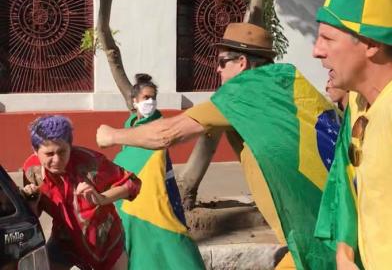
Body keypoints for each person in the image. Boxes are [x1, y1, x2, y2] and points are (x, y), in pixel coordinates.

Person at [97, 22, 339, 269]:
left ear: (242, 63)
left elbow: (166, 135)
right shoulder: (289, 81)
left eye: (223, 62)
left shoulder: (244, 91)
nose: (217, 69)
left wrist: (112, 135)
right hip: (337, 214)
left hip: (317, 238)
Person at [313, 0, 392, 269]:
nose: (317, 52)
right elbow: (346, 182)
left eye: (328, 40)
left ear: (371, 45)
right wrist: (345, 250)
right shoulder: (360, 102)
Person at [22, 115, 141, 270]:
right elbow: (33, 215)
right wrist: (32, 202)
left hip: (104, 242)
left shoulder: (91, 163)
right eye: (49, 154)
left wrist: (101, 199)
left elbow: (132, 183)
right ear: (35, 151)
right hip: (65, 242)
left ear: (70, 146)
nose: (57, 160)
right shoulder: (31, 171)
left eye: (62, 151)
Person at [113, 74, 204, 270]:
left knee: (171, 238)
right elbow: (127, 161)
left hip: (160, 193)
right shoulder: (129, 127)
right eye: (146, 98)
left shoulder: (160, 128)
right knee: (136, 242)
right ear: (134, 101)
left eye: (153, 98)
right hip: (130, 200)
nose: (150, 102)